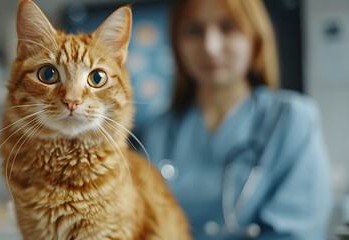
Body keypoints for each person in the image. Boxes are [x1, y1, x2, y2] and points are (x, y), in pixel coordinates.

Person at [140, 0, 332, 239]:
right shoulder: (155, 132)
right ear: (176, 44)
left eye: (228, 27)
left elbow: (298, 232)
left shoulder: (291, 119)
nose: (210, 47)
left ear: (256, 38)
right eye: (194, 30)